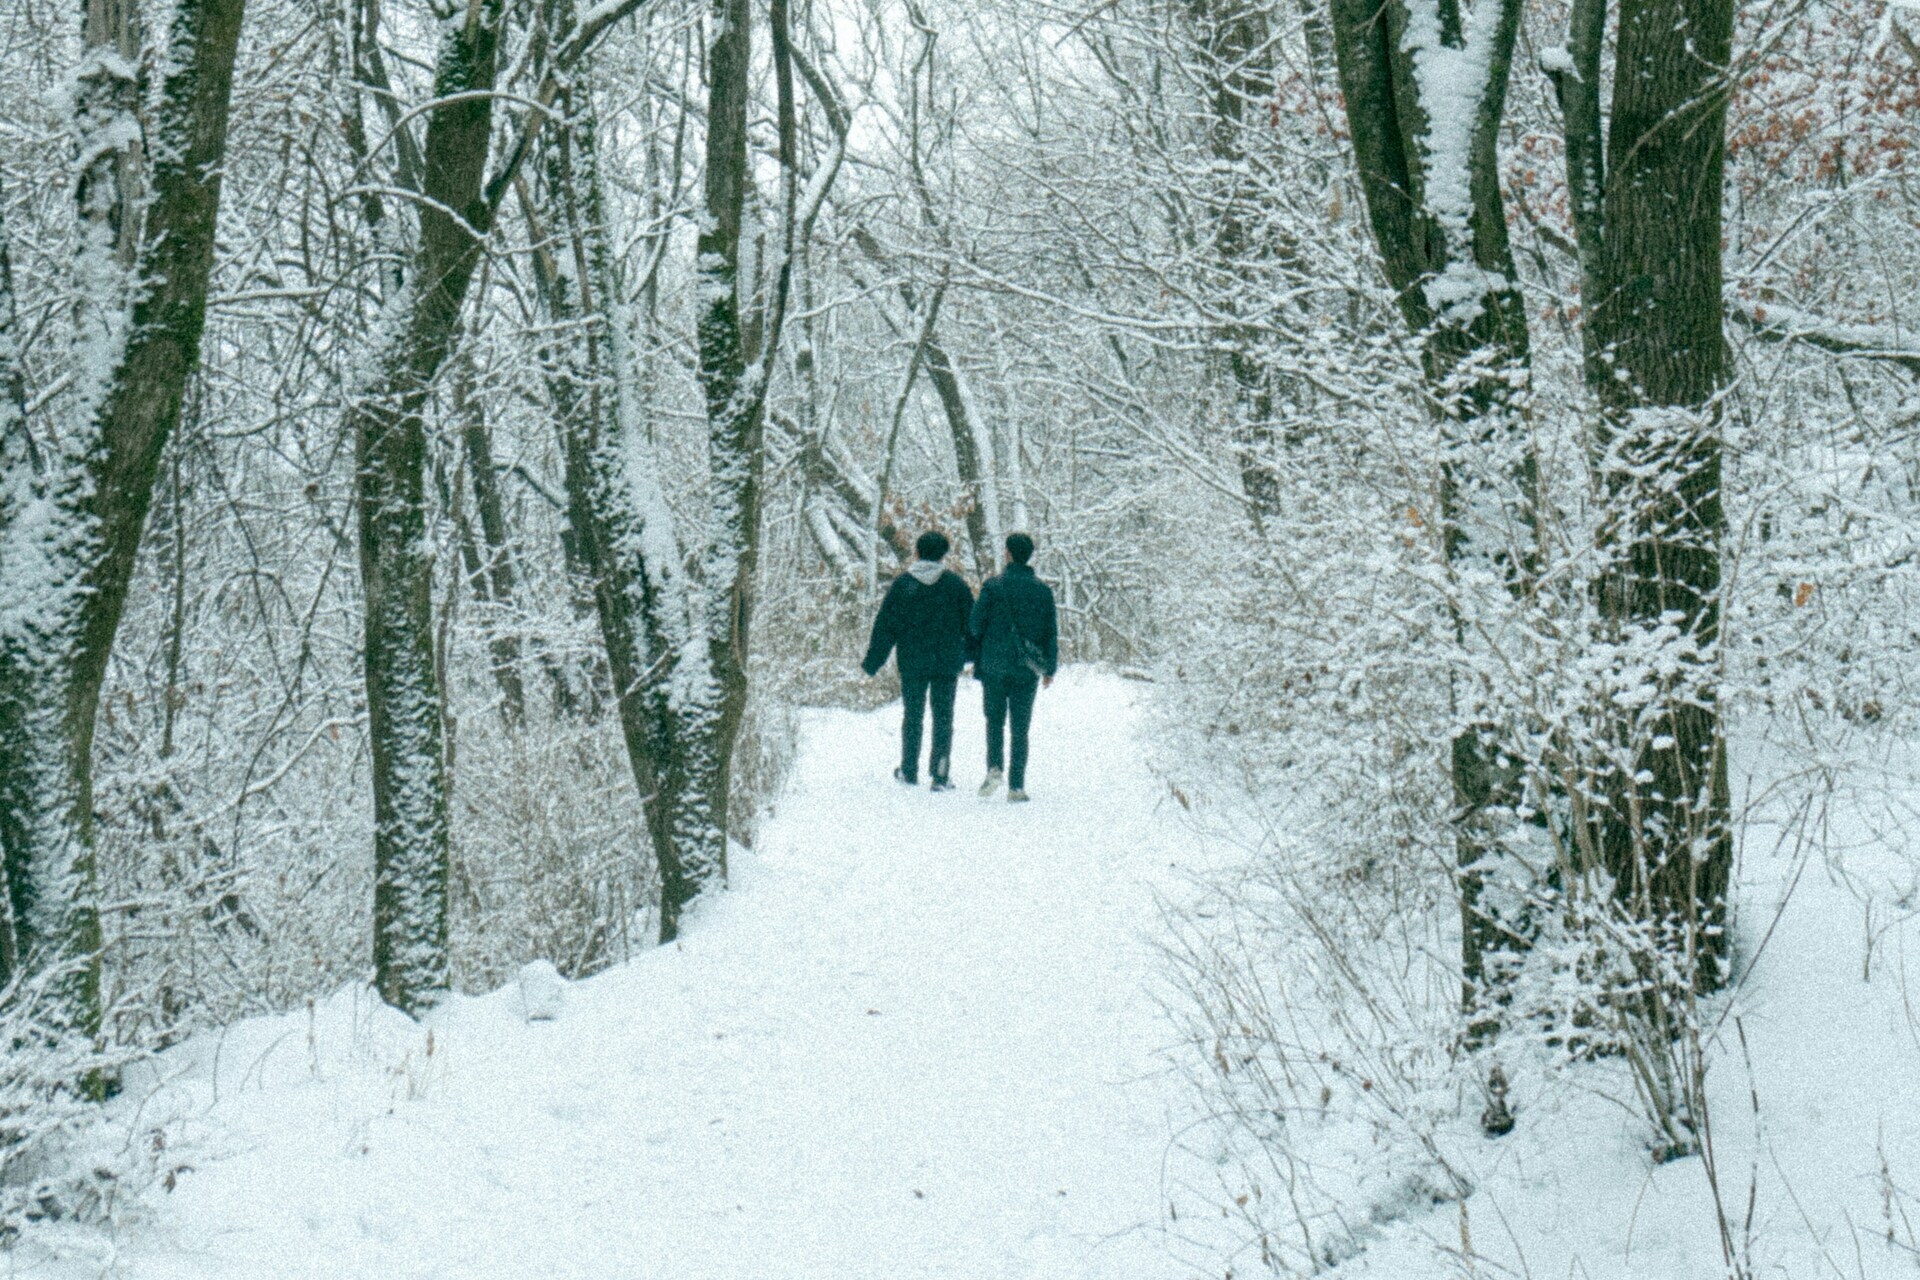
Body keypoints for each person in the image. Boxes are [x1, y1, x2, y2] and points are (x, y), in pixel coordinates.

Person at [861, 530, 975, 791]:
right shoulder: (955, 585)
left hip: (912, 661)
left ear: (916, 552)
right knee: (944, 717)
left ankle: (909, 769)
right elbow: (972, 625)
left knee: (913, 715)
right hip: (946, 662)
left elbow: (886, 626)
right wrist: (971, 655)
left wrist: (873, 661)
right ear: (944, 555)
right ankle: (940, 774)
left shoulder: (903, 585)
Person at [968, 531, 1058, 803]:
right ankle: (1016, 786)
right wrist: (1049, 668)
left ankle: (995, 767)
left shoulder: (993, 587)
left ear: (1007, 553)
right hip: (1026, 668)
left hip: (994, 665)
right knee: (1020, 727)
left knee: (994, 720)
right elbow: (1050, 632)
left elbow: (974, 625)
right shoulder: (1042, 591)